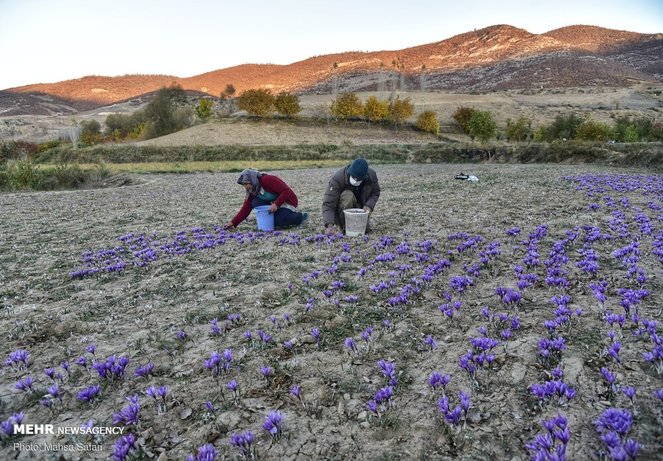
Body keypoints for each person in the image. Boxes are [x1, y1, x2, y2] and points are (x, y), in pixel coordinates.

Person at [223, 169, 308, 230]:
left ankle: (300, 217)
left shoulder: (266, 179)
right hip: (272, 204)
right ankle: (274, 217)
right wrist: (233, 223)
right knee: (255, 202)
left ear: (252, 179)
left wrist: (276, 204)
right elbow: (246, 208)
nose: (246, 187)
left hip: (286, 201)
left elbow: (286, 191)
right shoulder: (252, 190)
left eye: (246, 183)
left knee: (280, 220)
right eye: (243, 185)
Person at [322, 158, 380, 234]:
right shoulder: (338, 178)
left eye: (358, 180)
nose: (355, 181)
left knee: (365, 230)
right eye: (353, 177)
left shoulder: (371, 176)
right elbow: (328, 203)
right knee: (348, 195)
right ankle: (343, 225)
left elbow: (375, 192)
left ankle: (355, 223)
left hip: (359, 209)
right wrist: (329, 225)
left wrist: (368, 206)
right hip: (342, 209)